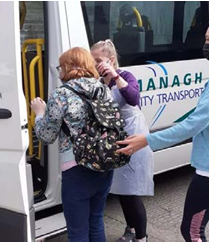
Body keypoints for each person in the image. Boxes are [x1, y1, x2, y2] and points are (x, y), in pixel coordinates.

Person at [117, 13, 209, 242]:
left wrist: (146, 140)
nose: (205, 43)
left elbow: (194, 124)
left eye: (208, 38)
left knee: (192, 230)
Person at [30, 47, 113, 242]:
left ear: (67, 67)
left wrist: (39, 112)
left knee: (77, 231)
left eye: (60, 67)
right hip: (105, 163)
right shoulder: (102, 88)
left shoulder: (60, 95)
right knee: (96, 221)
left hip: (77, 170)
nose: (59, 71)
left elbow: (46, 135)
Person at [91, 40, 154, 242]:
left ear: (110, 60)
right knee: (121, 189)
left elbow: (134, 98)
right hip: (114, 138)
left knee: (131, 191)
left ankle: (141, 237)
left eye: (98, 60)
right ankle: (131, 230)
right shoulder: (99, 81)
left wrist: (115, 75)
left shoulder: (125, 76)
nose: (94, 64)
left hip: (132, 136)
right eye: (92, 60)